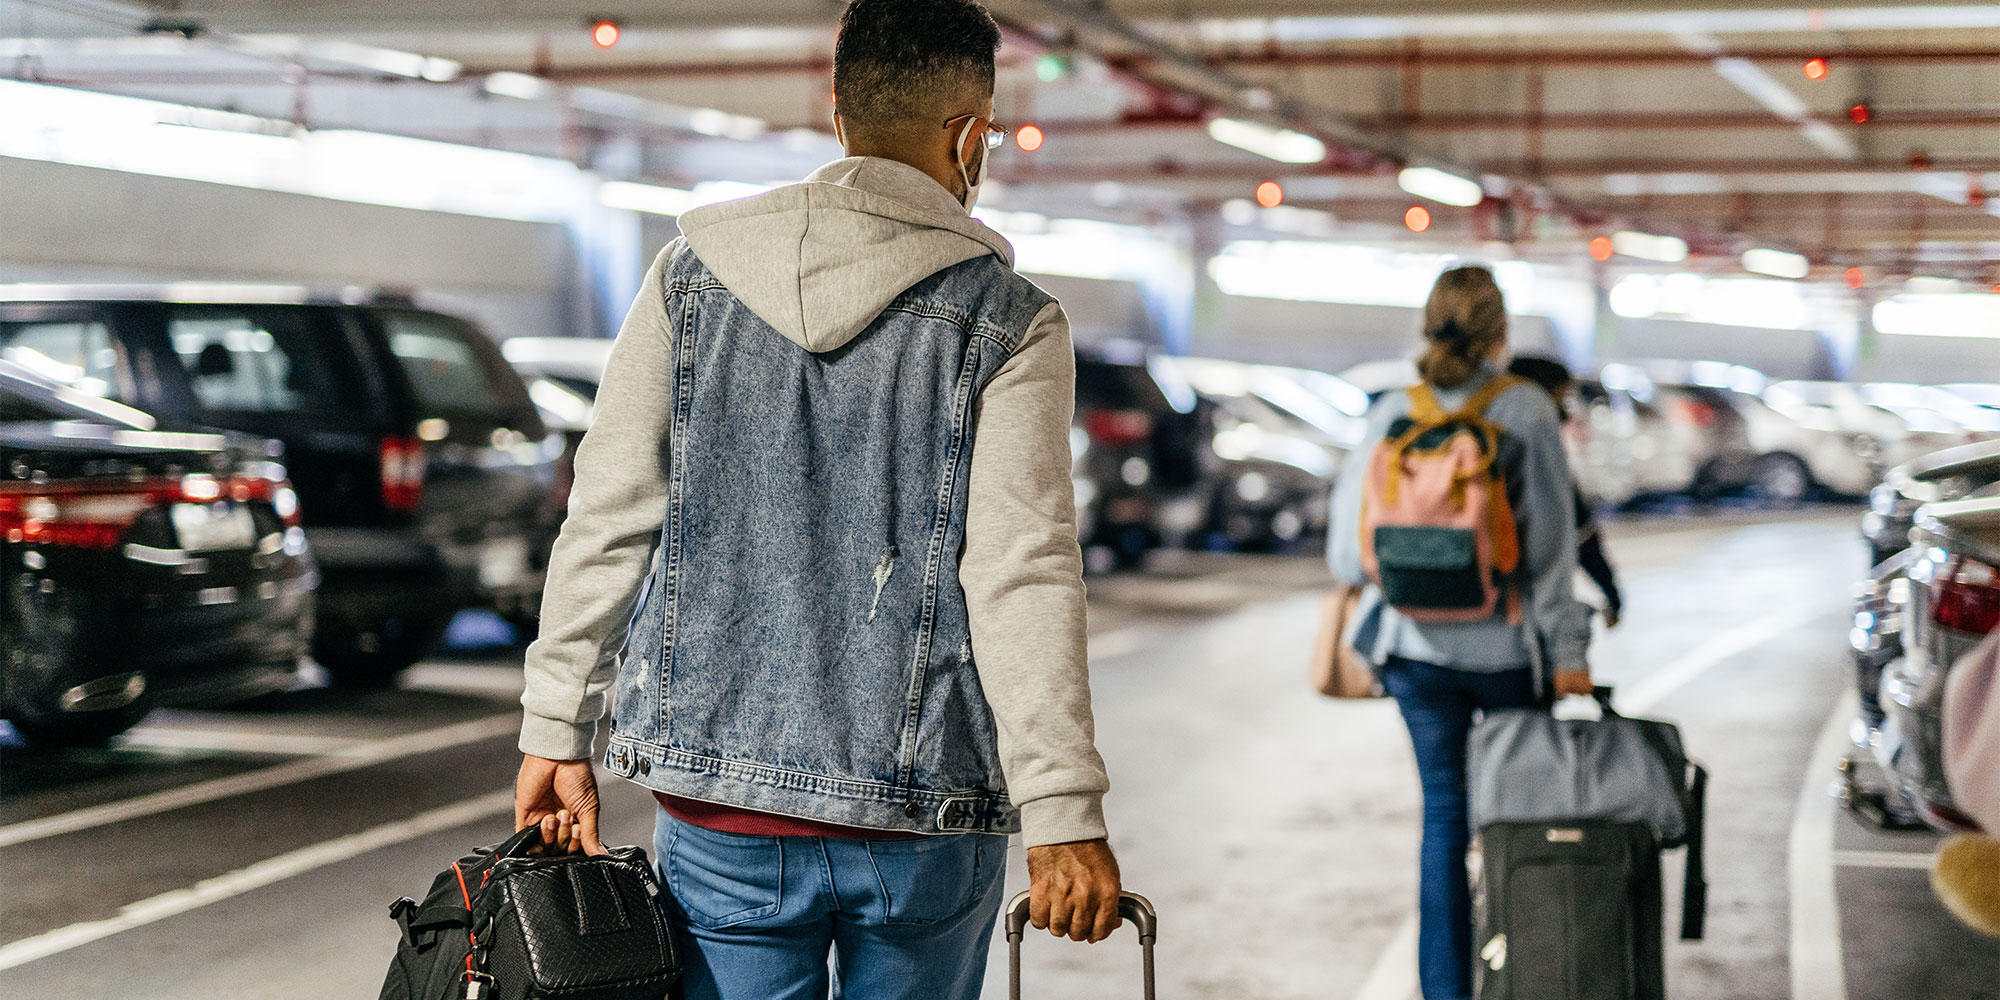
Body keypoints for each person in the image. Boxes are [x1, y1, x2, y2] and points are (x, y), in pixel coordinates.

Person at [511, 2, 1122, 997]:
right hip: (921, 817)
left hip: (721, 809)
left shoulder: (687, 278)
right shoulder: (1009, 322)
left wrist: (555, 728)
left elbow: (609, 515)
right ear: (969, 137)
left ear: (839, 116)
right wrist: (1063, 811)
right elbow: (1021, 570)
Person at [1328, 266, 1593, 1000]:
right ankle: (1527, 981)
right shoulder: (1527, 409)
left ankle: (1446, 992)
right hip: (1507, 655)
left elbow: (1347, 556)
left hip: (1413, 654)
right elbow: (1551, 555)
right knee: (1516, 824)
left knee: (1444, 822)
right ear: (1499, 332)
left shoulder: (1392, 411)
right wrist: (1568, 654)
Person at [1506, 354, 1624, 627]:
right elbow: (1581, 531)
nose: (1566, 412)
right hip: (1531, 600)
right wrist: (1611, 592)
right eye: (1563, 398)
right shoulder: (1541, 448)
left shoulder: (1485, 437)